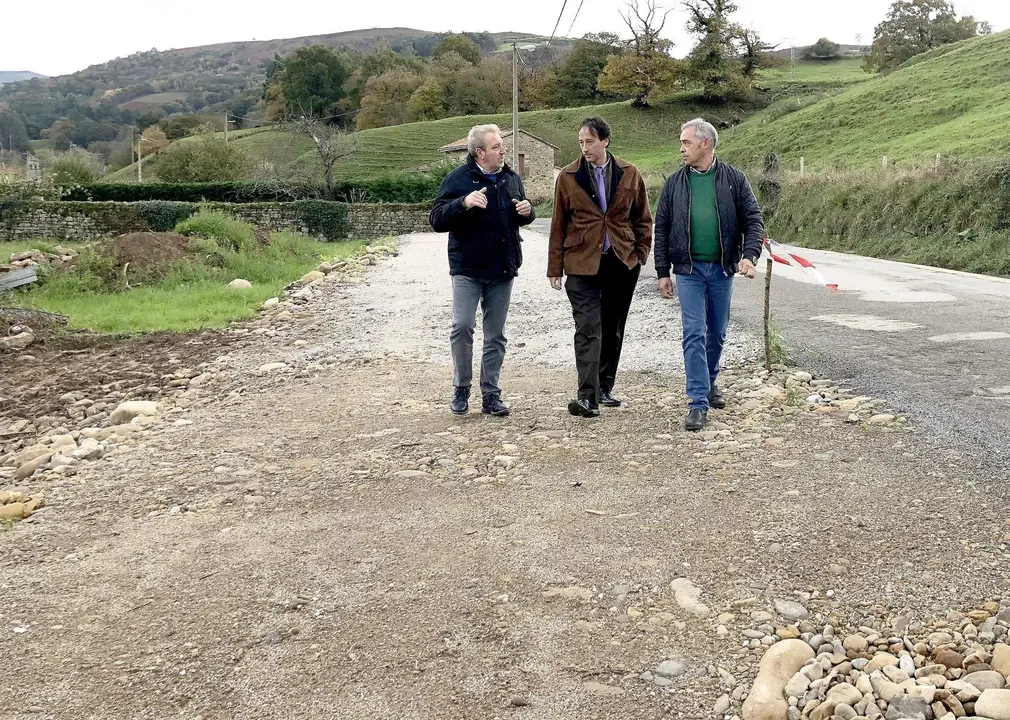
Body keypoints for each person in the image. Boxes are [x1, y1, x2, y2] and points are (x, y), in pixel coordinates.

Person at [654, 117, 765, 431]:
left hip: (722, 269)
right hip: (688, 270)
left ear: (706, 143)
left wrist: (749, 256)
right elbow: (661, 228)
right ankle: (698, 402)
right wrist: (662, 271)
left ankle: (708, 379)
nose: (681, 148)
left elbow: (753, 220)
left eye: (686, 142)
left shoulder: (734, 179)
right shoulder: (674, 183)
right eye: (681, 142)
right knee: (694, 332)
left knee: (716, 332)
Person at [548, 117, 653, 418]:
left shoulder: (630, 173)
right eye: (581, 142)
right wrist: (555, 267)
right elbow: (558, 224)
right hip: (581, 263)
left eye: (590, 142)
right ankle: (587, 396)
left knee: (613, 328)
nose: (585, 148)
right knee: (587, 328)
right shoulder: (568, 176)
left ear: (605, 141)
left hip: (621, 262)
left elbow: (643, 218)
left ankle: (605, 386)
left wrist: (640, 254)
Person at [429, 124, 535, 417]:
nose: (503, 150)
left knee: (496, 335)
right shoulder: (457, 179)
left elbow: (521, 215)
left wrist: (528, 212)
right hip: (467, 269)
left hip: (502, 268)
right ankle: (461, 388)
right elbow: (436, 219)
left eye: (501, 145)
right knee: (462, 327)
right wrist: (463, 203)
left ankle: (491, 394)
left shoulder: (511, 178)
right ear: (480, 152)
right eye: (497, 146)